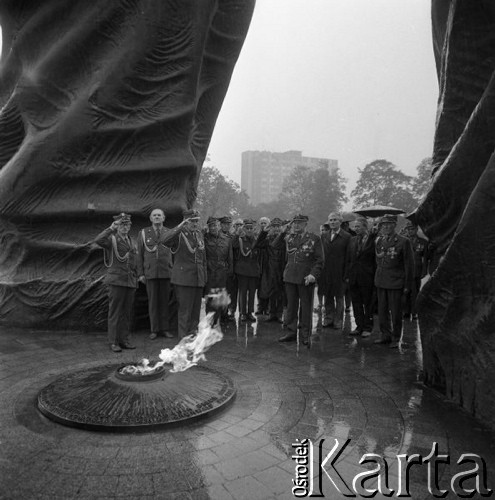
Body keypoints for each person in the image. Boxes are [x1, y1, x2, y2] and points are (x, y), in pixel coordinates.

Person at [276, 214, 323, 345]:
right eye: (294, 223)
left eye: (299, 223)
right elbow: (275, 246)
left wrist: (313, 274)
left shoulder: (314, 239)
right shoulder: (289, 238)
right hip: (290, 277)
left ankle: (305, 334)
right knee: (291, 306)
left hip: (305, 278)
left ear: (305, 224)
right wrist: (283, 232)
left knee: (306, 307)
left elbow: (320, 260)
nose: (296, 225)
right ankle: (291, 332)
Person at [94, 213, 138, 352]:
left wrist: (137, 275)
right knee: (115, 312)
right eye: (121, 225)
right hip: (116, 281)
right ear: (117, 226)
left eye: (127, 225)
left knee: (126, 313)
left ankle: (124, 340)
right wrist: (110, 228)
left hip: (130, 281)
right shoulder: (112, 239)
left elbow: (134, 261)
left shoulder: (132, 241)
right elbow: (98, 240)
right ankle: (113, 342)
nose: (124, 227)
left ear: (130, 226)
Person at [161, 209, 207, 339]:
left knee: (195, 310)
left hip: (198, 277)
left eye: (196, 221)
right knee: (185, 311)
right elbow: (164, 240)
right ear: (185, 222)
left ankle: (193, 333)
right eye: (191, 221)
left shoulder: (198, 235)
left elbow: (203, 257)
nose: (194, 224)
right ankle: (183, 337)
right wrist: (180, 226)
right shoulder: (179, 235)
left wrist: (204, 277)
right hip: (184, 278)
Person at [373, 214, 414, 349]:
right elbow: (378, 261)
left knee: (396, 312)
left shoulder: (403, 241)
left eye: (389, 224)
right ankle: (385, 335)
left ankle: (396, 338)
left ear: (394, 225)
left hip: (396, 282)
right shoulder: (379, 241)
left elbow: (409, 265)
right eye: (383, 225)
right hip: (381, 281)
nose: (385, 227)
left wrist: (408, 285)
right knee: (382, 311)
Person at [137, 208, 173, 340]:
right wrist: (140, 273)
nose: (157, 217)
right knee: (152, 302)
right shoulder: (143, 233)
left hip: (166, 272)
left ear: (164, 218)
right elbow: (139, 255)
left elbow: (174, 254)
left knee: (164, 302)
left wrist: (173, 271)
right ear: (151, 218)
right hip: (150, 272)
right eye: (154, 215)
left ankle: (165, 329)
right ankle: (154, 329)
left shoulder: (170, 233)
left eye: (159, 215)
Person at [345, 217, 376, 337]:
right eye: (355, 226)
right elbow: (348, 259)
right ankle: (359, 326)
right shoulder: (352, 240)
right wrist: (347, 275)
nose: (355, 228)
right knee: (356, 303)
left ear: (365, 226)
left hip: (367, 276)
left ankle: (368, 327)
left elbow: (374, 260)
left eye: (358, 226)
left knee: (368, 303)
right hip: (353, 276)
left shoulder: (373, 239)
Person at [321, 212, 351, 330]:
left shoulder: (347, 236)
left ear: (340, 222)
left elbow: (349, 257)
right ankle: (328, 319)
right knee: (327, 296)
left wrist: (346, 274)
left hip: (340, 272)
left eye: (335, 220)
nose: (332, 222)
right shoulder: (324, 235)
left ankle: (338, 321)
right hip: (326, 271)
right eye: (330, 220)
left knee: (339, 297)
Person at [254, 217, 286, 322]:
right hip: (270, 269)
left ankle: (279, 314)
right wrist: (263, 233)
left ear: (281, 227)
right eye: (274, 226)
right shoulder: (268, 239)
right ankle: (272, 314)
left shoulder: (285, 239)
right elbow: (257, 245)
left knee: (280, 293)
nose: (276, 229)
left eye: (278, 226)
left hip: (281, 268)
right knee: (271, 292)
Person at [204, 216, 233, 324]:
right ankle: (210, 319)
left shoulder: (227, 239)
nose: (213, 228)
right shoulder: (204, 238)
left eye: (215, 225)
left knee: (221, 296)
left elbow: (230, 258)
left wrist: (230, 271)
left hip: (222, 272)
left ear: (218, 225)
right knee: (210, 296)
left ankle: (221, 317)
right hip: (210, 271)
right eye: (211, 226)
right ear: (208, 227)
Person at [232, 218, 261, 321]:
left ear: (253, 229)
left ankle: (250, 312)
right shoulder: (240, 239)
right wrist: (237, 234)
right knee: (243, 292)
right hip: (242, 270)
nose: (249, 230)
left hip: (253, 270)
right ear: (244, 229)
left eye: (251, 228)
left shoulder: (256, 240)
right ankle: (242, 313)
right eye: (247, 228)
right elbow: (234, 245)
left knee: (252, 293)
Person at [403, 221, 428, 320]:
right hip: (405, 271)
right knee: (405, 292)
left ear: (416, 229)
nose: (410, 231)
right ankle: (406, 311)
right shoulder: (403, 241)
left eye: (412, 229)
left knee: (415, 292)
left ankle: (414, 312)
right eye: (408, 229)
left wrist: (424, 271)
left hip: (416, 270)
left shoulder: (423, 242)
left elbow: (425, 258)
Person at [256, 216, 271, 315]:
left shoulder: (270, 235)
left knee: (267, 286)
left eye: (265, 223)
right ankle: (260, 307)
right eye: (261, 223)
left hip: (267, 264)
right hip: (258, 264)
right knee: (259, 287)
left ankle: (267, 307)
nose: (263, 224)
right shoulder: (257, 234)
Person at [315, 223, 330, 313]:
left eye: (324, 230)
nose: (322, 232)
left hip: (329, 267)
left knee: (328, 288)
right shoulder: (318, 240)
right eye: (321, 230)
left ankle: (326, 305)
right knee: (320, 287)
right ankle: (320, 304)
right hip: (320, 267)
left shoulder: (330, 240)